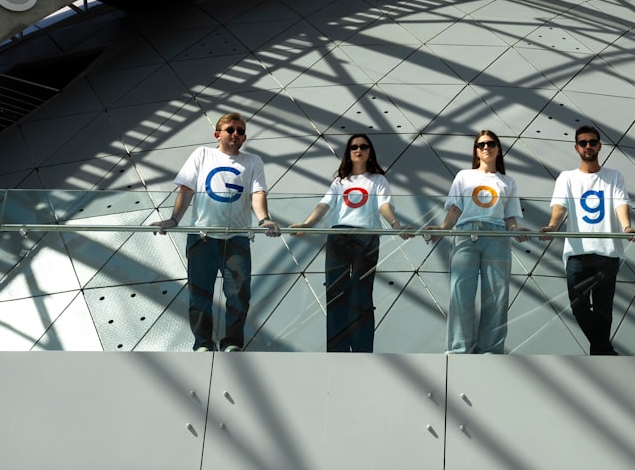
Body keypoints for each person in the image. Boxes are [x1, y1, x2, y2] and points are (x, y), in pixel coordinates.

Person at [152, 112, 280, 352]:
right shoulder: (203, 154)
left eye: (240, 131)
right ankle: (203, 344)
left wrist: (264, 219)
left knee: (239, 294)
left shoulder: (253, 161)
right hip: (203, 236)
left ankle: (232, 343)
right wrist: (174, 219)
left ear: (244, 137)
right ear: (217, 134)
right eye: (230, 129)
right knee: (200, 293)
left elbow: (258, 193)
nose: (235, 134)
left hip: (237, 238)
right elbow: (187, 188)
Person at [289, 134, 404, 352]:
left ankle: (361, 348)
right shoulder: (340, 182)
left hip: (366, 236)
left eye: (363, 146)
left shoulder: (378, 180)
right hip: (338, 235)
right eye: (353, 147)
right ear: (348, 153)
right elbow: (325, 205)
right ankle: (337, 348)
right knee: (336, 290)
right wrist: (308, 223)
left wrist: (396, 225)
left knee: (361, 290)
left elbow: (384, 205)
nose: (358, 150)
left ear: (370, 151)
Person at [540, 125, 635, 355]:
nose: (588, 146)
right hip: (577, 252)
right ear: (576, 147)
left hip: (607, 252)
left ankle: (601, 354)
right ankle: (604, 351)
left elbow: (620, 204)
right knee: (578, 306)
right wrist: (552, 226)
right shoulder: (567, 178)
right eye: (583, 143)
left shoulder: (613, 176)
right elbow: (559, 207)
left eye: (592, 142)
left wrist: (626, 227)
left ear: (599, 146)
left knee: (603, 309)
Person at [430, 130, 523, 354]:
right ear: (476, 150)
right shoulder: (464, 176)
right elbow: (455, 208)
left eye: (491, 143)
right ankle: (459, 349)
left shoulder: (507, 181)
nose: (486, 148)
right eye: (481, 144)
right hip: (466, 234)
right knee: (461, 292)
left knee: (497, 296)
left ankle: (490, 350)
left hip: (497, 236)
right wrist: (443, 229)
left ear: (498, 149)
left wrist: (515, 230)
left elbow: (509, 215)